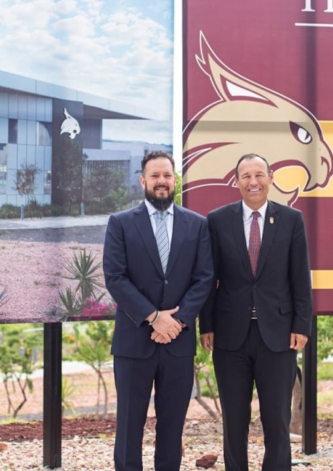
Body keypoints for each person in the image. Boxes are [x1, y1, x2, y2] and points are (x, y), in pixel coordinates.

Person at [199, 153, 313, 471]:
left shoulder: (291, 220)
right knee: (235, 421)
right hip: (229, 336)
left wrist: (301, 325)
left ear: (271, 178)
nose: (253, 182)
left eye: (259, 175)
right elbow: (209, 277)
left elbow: (300, 278)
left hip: (277, 336)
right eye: (246, 176)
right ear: (236, 182)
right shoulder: (217, 220)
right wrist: (206, 324)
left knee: (276, 420)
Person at [104, 150, 214, 471]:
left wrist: (177, 321)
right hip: (133, 342)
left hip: (177, 342)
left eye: (167, 175)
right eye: (155, 176)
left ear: (175, 179)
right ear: (143, 181)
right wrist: (154, 317)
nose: (162, 181)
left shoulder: (197, 225)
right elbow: (115, 277)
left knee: (172, 426)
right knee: (129, 427)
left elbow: (204, 278)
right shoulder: (121, 224)